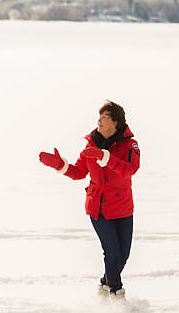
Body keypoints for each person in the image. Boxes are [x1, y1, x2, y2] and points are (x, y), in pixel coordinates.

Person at [39, 101, 141, 298]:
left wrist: (105, 157)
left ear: (116, 123)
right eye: (99, 117)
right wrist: (59, 164)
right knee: (112, 252)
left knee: (123, 256)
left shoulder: (130, 144)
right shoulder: (91, 143)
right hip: (98, 208)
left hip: (123, 207)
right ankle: (116, 293)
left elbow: (130, 170)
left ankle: (105, 283)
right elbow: (78, 172)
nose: (99, 121)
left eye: (104, 118)